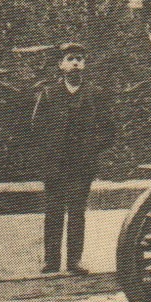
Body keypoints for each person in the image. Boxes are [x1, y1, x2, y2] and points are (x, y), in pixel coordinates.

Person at [28, 42, 115, 275]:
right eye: (70, 59)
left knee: (77, 211)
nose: (75, 63)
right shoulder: (49, 93)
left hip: (82, 165)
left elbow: (108, 129)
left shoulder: (95, 94)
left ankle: (74, 260)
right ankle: (51, 260)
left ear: (85, 64)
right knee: (54, 211)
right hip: (55, 165)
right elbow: (37, 128)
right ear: (60, 65)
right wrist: (47, 155)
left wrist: (91, 148)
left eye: (79, 59)